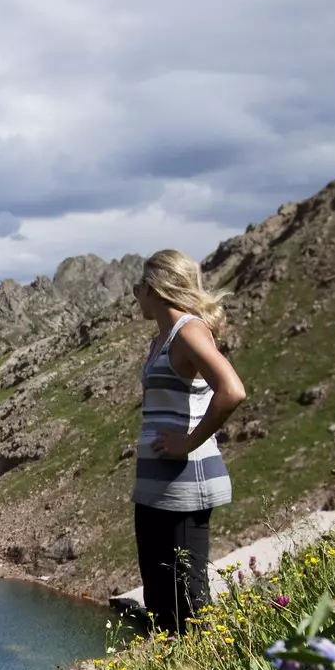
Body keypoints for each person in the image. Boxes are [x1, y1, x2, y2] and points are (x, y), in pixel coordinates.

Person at [131, 250, 247, 635]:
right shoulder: (160, 340)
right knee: (160, 599)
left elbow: (231, 390)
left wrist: (190, 442)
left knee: (189, 599)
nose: (136, 297)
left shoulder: (189, 331)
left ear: (154, 289)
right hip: (155, 488)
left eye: (138, 288)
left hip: (185, 486)